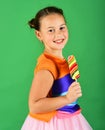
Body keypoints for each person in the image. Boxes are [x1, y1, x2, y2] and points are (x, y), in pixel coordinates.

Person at [21, 6, 92, 130]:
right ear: (39, 34)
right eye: (50, 30)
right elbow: (34, 106)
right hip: (53, 124)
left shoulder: (61, 61)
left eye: (61, 27)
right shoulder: (48, 66)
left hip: (70, 118)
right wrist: (67, 98)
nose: (58, 34)